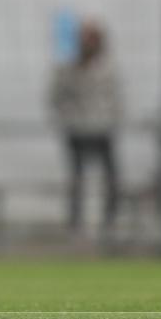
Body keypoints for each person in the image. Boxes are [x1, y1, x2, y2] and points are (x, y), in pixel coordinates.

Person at [49, 19, 123, 233]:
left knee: (111, 178)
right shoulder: (68, 68)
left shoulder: (108, 68)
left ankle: (109, 223)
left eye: (91, 38)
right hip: (77, 130)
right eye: (83, 38)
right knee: (77, 179)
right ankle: (76, 224)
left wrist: (111, 119)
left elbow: (116, 99)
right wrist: (68, 118)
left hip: (103, 130)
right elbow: (56, 97)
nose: (86, 43)